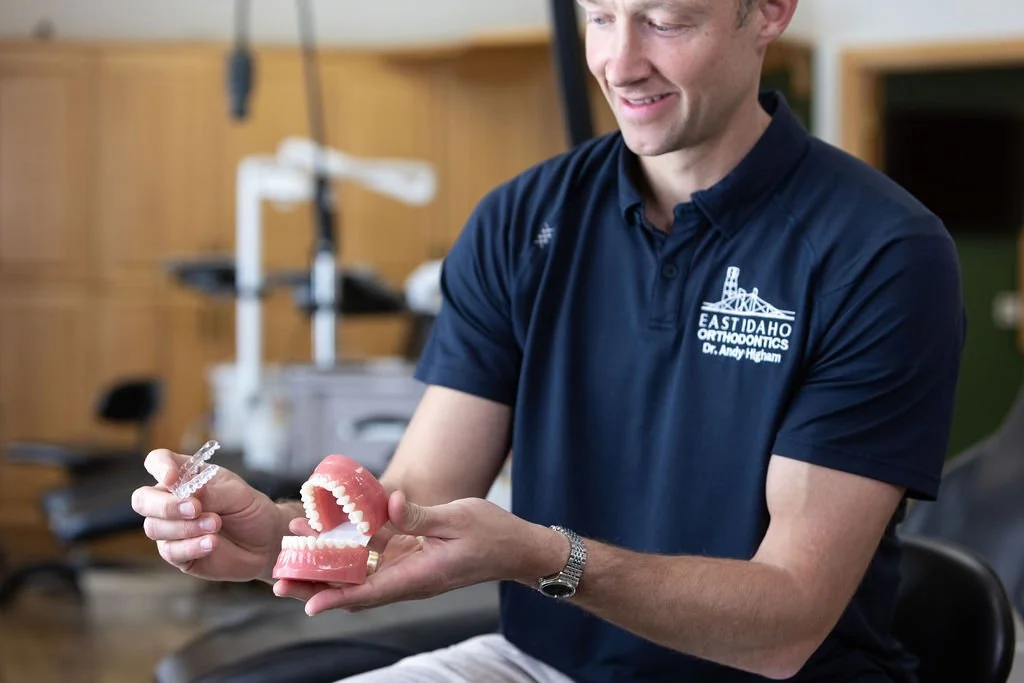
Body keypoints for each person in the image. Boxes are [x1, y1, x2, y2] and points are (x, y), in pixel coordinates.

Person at [132, 0, 966, 680]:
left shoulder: (880, 252)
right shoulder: (522, 219)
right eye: (600, 17)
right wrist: (274, 538)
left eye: (665, 21)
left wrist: (542, 557)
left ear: (770, 12)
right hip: (538, 661)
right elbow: (412, 500)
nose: (620, 62)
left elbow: (786, 619)